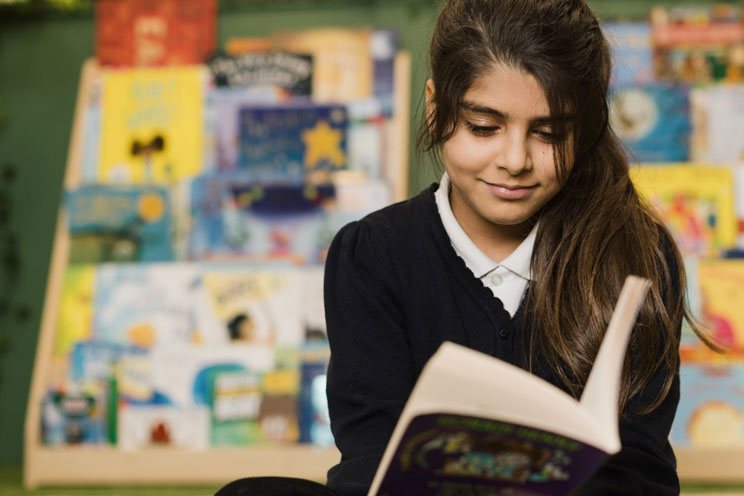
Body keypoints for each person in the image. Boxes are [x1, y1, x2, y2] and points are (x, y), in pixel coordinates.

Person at [323, 0, 712, 495]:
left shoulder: (634, 254)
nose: (514, 161)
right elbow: (370, 459)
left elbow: (643, 470)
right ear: (435, 105)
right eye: (484, 127)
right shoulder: (374, 255)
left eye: (549, 133)